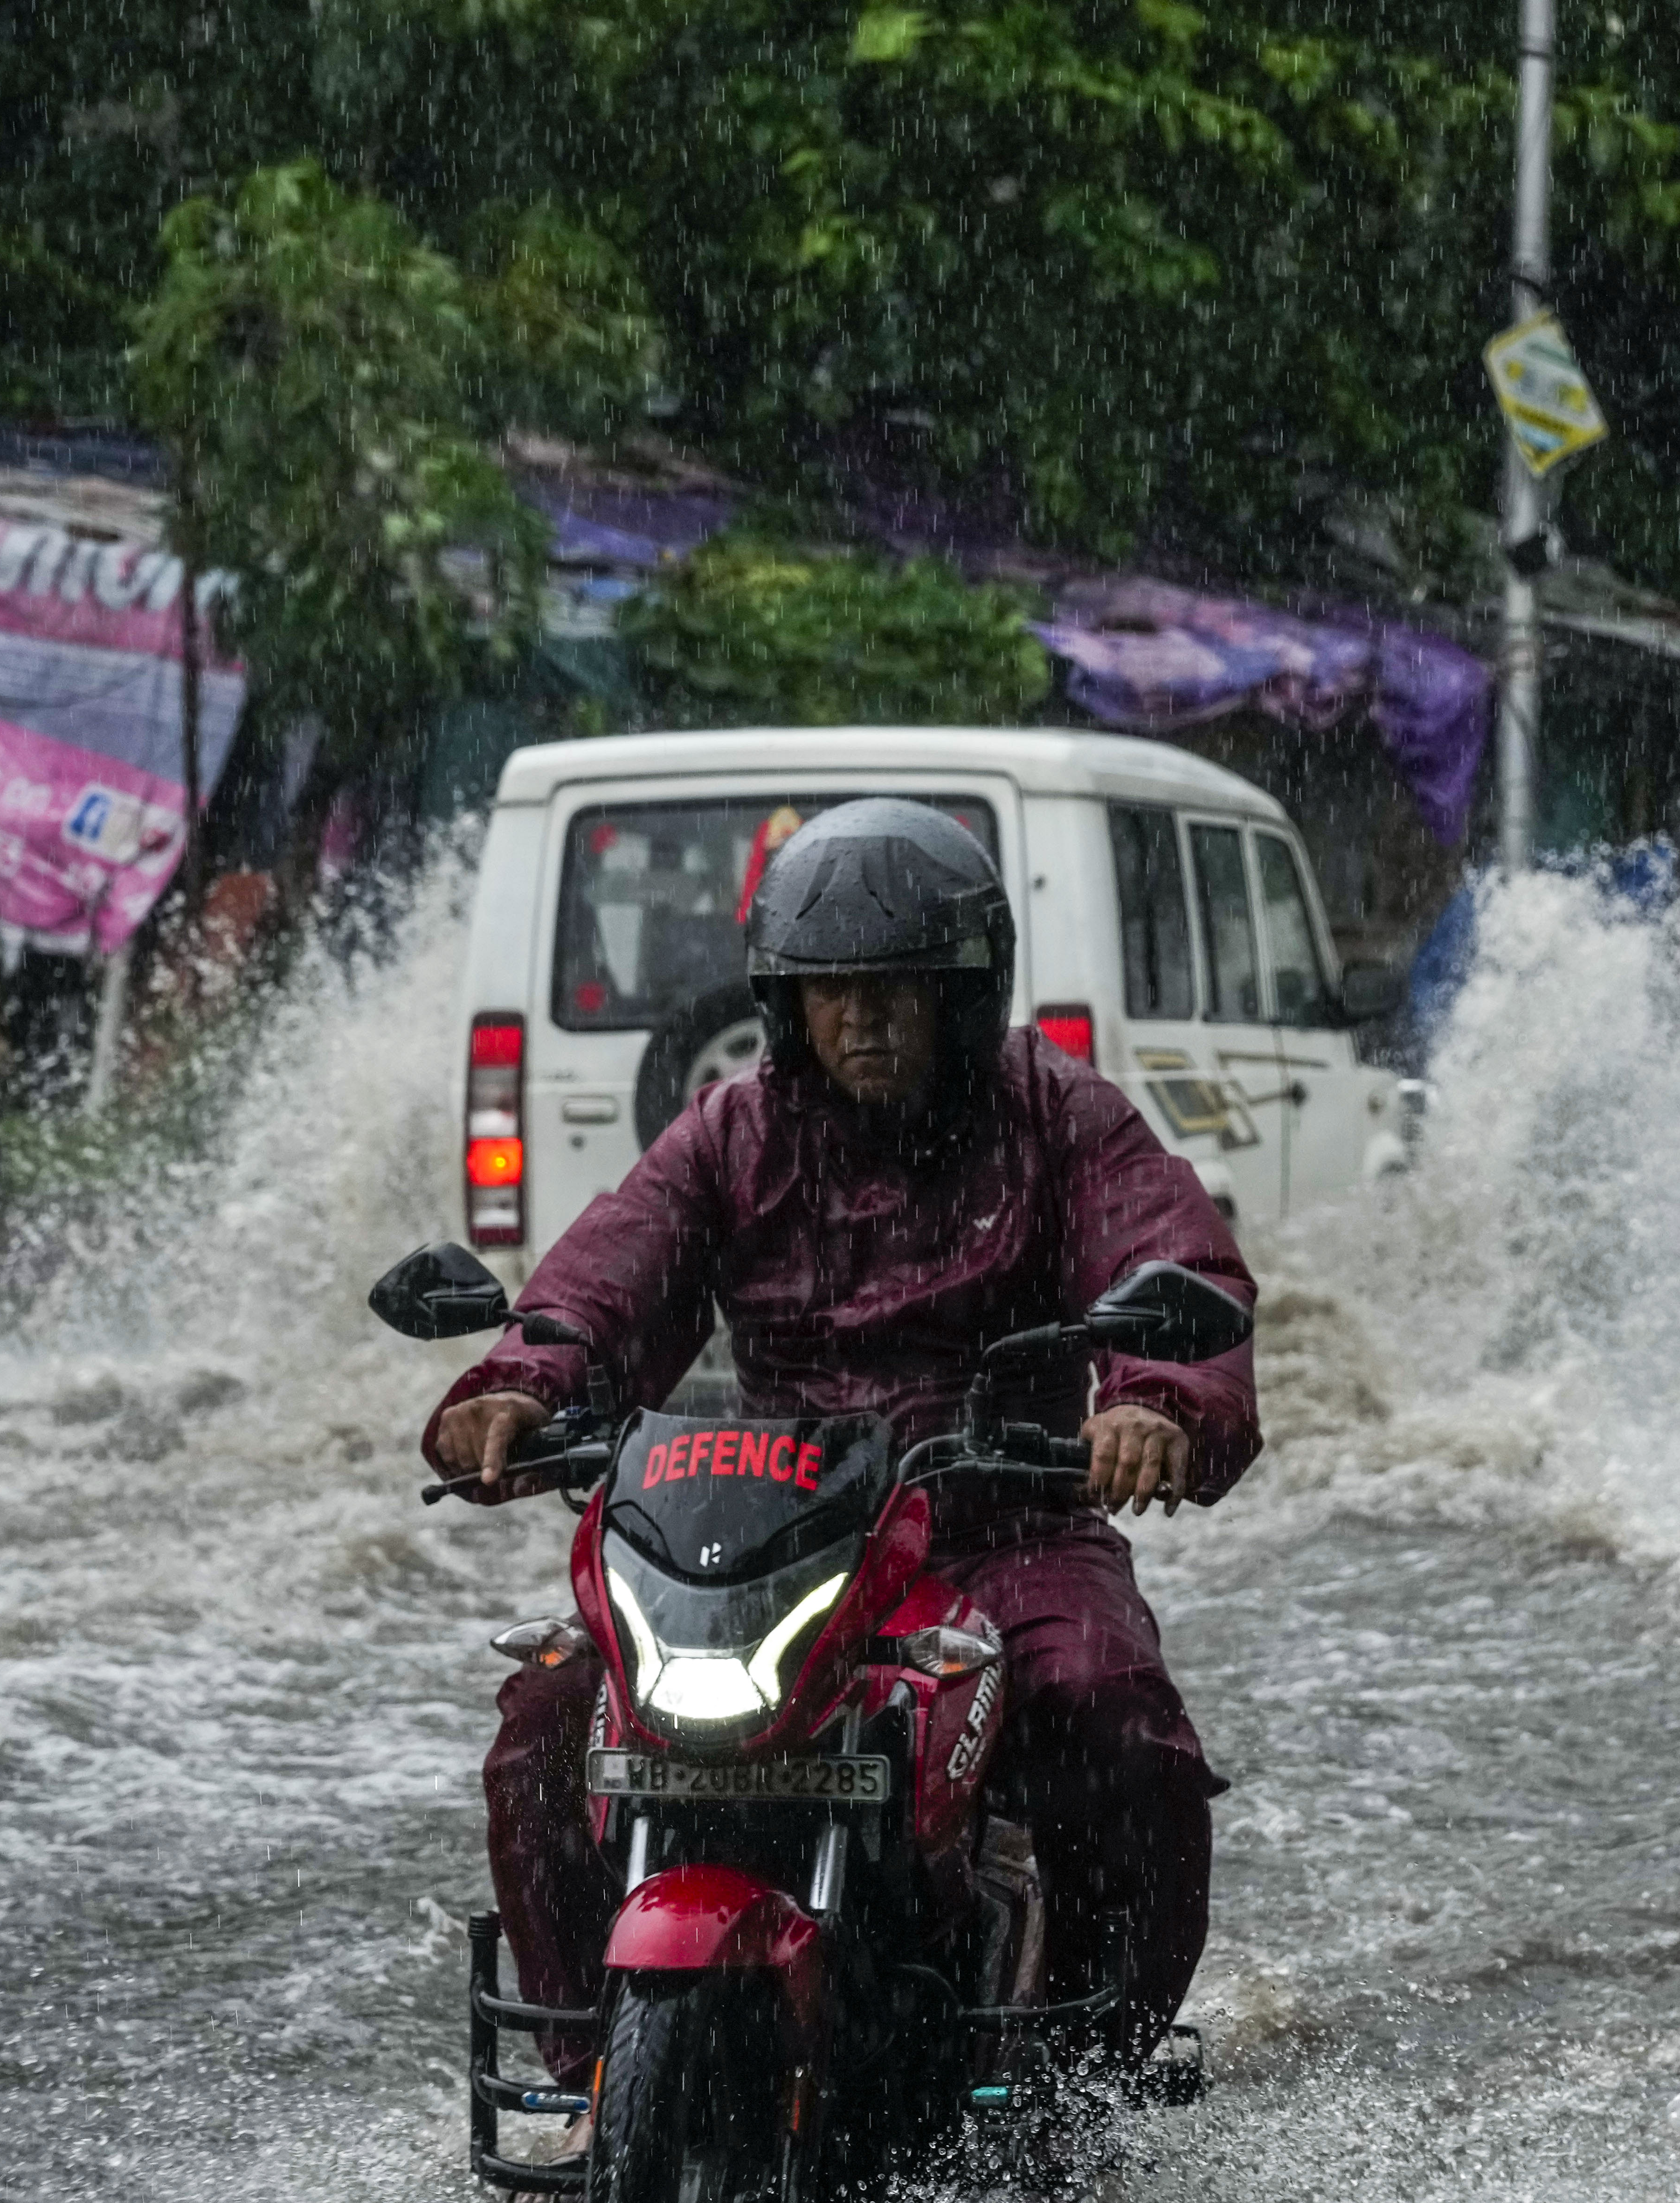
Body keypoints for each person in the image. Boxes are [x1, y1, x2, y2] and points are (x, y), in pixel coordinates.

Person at [423, 797, 1254, 2090]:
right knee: (547, 1722)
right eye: (833, 989)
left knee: (1114, 1721)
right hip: (785, 1530)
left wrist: (1155, 1402)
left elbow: (1172, 1258)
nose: (864, 1016)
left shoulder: (1062, 1116)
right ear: (786, 1004)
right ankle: (594, 2070)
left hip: (1005, 1526)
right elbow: (604, 1279)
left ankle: (1081, 2087)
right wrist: (521, 1387)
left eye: (900, 987)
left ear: (963, 994)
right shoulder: (730, 1135)